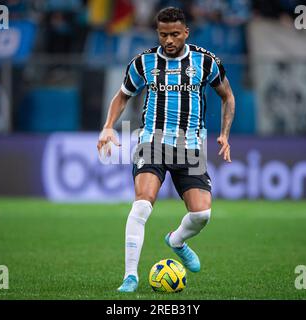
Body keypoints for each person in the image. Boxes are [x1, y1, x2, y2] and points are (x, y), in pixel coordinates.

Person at [96, 6, 235, 293]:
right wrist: (109, 125)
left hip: (190, 147)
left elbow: (228, 97)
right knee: (142, 203)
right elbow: (122, 96)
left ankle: (176, 241)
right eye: (163, 35)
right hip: (152, 141)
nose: (168, 40)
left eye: (174, 34)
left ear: (186, 32)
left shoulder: (206, 62)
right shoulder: (143, 63)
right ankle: (130, 276)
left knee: (202, 215)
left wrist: (224, 134)